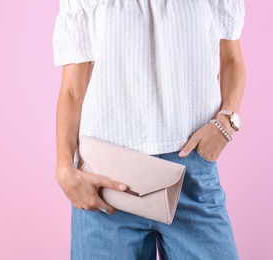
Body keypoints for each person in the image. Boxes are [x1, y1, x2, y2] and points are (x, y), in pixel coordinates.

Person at [52, 0, 246, 259]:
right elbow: (72, 90)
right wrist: (64, 168)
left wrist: (226, 122)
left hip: (191, 173)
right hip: (105, 182)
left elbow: (232, 59)